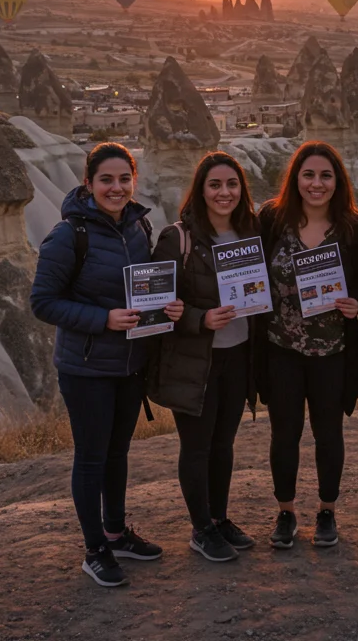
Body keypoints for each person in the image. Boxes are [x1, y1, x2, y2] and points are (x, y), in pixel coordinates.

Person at [31, 143, 179, 587]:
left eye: (123, 179)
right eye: (106, 180)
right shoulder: (68, 235)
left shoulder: (138, 227)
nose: (116, 188)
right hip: (87, 367)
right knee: (92, 458)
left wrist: (166, 308)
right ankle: (94, 549)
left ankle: (116, 532)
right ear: (88, 183)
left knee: (118, 453)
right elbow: (42, 302)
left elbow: (144, 288)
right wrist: (104, 320)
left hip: (130, 363)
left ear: (133, 181)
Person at [256, 142, 358, 549]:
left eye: (325, 175)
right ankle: (286, 512)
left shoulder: (353, 227)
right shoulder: (272, 219)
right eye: (308, 175)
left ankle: (327, 510)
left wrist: (356, 300)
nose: (316, 183)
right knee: (283, 433)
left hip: (332, 350)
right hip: (281, 347)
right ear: (296, 179)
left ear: (337, 181)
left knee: (329, 433)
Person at [146, 152, 259, 563]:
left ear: (241, 190)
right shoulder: (178, 238)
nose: (224, 193)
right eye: (215, 185)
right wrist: (200, 318)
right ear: (201, 190)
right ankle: (202, 528)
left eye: (232, 185)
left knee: (223, 443)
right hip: (197, 360)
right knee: (197, 447)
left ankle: (220, 518)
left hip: (238, 354)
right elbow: (156, 305)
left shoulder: (250, 233)